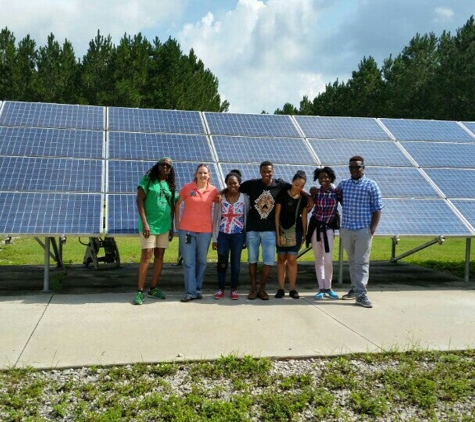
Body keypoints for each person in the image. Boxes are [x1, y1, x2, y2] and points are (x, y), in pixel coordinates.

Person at [239, 161, 291, 300]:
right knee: (252, 260)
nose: (267, 174)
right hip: (252, 229)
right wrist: (221, 192)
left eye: (269, 171)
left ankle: (262, 289)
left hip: (270, 230)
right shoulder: (251, 184)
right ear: (260, 172)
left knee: (268, 261)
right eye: (264, 172)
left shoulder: (280, 185)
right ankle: (253, 289)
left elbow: (296, 188)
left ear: (273, 171)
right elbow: (234, 187)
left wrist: (309, 197)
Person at [338, 155, 383, 308]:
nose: (354, 170)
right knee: (351, 262)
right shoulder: (343, 184)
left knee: (362, 262)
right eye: (351, 167)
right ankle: (354, 288)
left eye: (357, 167)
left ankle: (361, 294)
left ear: (363, 167)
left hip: (363, 229)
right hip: (347, 229)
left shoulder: (371, 185)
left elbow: (378, 208)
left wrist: (372, 228)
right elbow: (333, 196)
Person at [134, 157, 177, 305]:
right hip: (149, 225)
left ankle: (153, 287)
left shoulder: (170, 185)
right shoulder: (148, 180)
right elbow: (139, 200)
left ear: (171, 170)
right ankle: (139, 291)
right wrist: (145, 223)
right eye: (163, 164)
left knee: (160, 255)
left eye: (168, 166)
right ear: (157, 166)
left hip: (164, 226)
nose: (165, 167)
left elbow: (172, 207)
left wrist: (171, 226)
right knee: (147, 255)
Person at [175, 163, 218, 302]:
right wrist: (177, 222)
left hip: (205, 231)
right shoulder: (187, 188)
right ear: (196, 174)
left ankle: (197, 289)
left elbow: (219, 207)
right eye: (200, 173)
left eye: (205, 173)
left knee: (202, 262)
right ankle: (190, 292)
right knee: (189, 262)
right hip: (187, 230)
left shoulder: (213, 191)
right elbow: (177, 203)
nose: (202, 175)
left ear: (209, 175)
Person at [212, 170, 250, 300]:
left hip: (238, 235)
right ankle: (220, 288)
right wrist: (215, 237)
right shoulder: (220, 198)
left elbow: (246, 217)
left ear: (239, 184)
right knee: (222, 262)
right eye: (229, 183)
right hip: (223, 234)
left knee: (236, 263)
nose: (232, 186)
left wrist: (245, 236)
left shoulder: (245, 198)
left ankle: (233, 289)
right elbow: (216, 218)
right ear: (226, 184)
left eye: (235, 183)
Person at [307, 167, 341, 300]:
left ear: (331, 177)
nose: (324, 179)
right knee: (318, 259)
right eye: (321, 177)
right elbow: (309, 204)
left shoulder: (337, 192)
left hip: (328, 229)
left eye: (326, 177)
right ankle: (321, 288)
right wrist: (310, 194)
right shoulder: (316, 192)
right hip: (316, 228)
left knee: (328, 260)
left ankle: (329, 287)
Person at [274, 170, 308, 299]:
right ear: (292, 182)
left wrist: (305, 234)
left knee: (292, 259)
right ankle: (281, 288)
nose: (298, 188)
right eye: (296, 184)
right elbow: (276, 215)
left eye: (302, 186)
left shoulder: (303, 199)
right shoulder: (282, 195)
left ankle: (292, 288)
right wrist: (277, 234)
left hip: (296, 231)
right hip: (282, 230)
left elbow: (304, 217)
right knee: (281, 259)